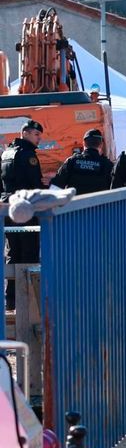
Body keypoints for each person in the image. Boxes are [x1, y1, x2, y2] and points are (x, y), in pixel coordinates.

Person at [2, 119, 44, 308]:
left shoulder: (7, 152)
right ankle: (29, 302)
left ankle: (10, 301)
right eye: (36, 135)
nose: (38, 139)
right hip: (26, 210)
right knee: (29, 254)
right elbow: (34, 185)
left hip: (8, 208)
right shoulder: (28, 155)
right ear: (25, 133)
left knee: (12, 252)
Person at [51, 128, 114, 195]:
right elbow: (115, 189)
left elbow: (56, 186)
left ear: (84, 143)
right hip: (100, 204)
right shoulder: (108, 164)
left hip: (76, 204)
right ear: (101, 144)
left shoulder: (72, 161)